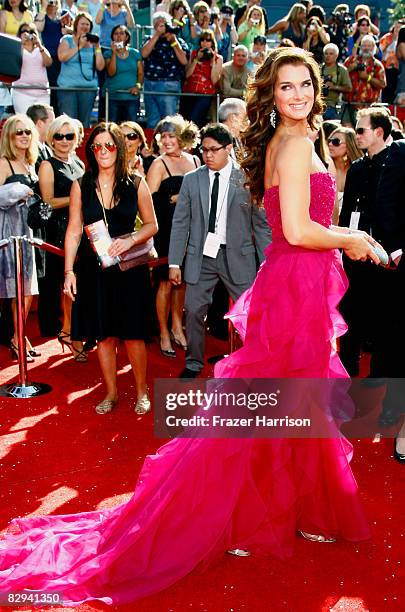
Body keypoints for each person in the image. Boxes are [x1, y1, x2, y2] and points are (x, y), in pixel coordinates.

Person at [0, 49, 376, 607]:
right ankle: (254, 518)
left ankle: (271, 511)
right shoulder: (296, 145)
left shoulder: (291, 140)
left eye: (305, 85)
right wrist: (353, 238)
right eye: (285, 86)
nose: (297, 94)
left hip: (292, 282)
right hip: (296, 281)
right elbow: (297, 229)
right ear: (270, 94)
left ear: (317, 90)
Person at [63, 123, 157, 414]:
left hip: (128, 269)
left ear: (119, 147)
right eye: (96, 147)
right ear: (90, 151)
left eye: (109, 146)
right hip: (95, 271)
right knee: (104, 336)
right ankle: (112, 393)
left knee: (133, 334)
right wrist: (69, 271)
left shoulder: (137, 183)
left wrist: (129, 239)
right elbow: (74, 231)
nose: (103, 151)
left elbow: (153, 225)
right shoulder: (81, 185)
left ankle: (142, 392)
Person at [168, 122, 271, 378]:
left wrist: (268, 263)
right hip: (201, 257)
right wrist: (174, 263)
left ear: (228, 148)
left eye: (214, 149)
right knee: (192, 311)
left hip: (239, 255)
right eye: (204, 150)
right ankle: (193, 363)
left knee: (249, 315)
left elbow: (261, 225)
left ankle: (254, 365)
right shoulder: (192, 180)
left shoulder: (247, 179)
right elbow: (180, 222)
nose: (208, 155)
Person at [339, 107, 392, 378]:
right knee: (349, 321)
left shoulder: (396, 164)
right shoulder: (357, 168)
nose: (356, 135)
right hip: (355, 257)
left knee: (384, 326)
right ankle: (347, 379)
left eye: (361, 130)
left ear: (379, 132)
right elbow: (348, 211)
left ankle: (378, 383)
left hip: (386, 259)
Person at [147, 115, 200, 358]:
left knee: (183, 282)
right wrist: (177, 199)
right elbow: (148, 201)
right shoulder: (159, 164)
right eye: (163, 136)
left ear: (183, 137)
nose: (167, 141)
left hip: (192, 230)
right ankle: (164, 332)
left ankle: (178, 326)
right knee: (166, 283)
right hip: (167, 232)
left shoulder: (196, 160)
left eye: (171, 136)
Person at [37, 114, 86, 361]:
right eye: (59, 136)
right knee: (66, 284)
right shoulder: (47, 164)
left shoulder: (78, 163)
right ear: (52, 139)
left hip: (79, 228)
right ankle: (67, 331)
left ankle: (71, 330)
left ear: (76, 138)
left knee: (77, 284)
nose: (64, 140)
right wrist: (79, 198)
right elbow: (47, 202)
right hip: (58, 231)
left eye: (69, 136)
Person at [0, 114, 39, 362]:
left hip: (29, 230)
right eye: (18, 132)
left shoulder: (31, 163)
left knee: (27, 288)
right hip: (8, 229)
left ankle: (18, 333)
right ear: (9, 137)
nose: (24, 136)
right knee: (15, 286)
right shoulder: (4, 162)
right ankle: (17, 336)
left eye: (27, 132)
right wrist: (18, 191)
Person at [141, 12, 189, 129]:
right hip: (151, 84)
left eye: (164, 24)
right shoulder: (150, 39)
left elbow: (184, 61)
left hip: (169, 84)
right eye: (158, 25)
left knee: (169, 123)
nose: (162, 27)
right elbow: (144, 53)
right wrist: (156, 35)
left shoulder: (178, 41)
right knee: (152, 122)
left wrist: (173, 40)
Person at [57, 12, 105, 127]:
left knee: (84, 123)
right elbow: (62, 57)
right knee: (69, 123)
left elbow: (100, 66)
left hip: (88, 89)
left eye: (87, 24)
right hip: (68, 88)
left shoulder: (93, 44)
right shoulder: (67, 40)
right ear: (76, 25)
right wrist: (79, 46)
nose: (85, 27)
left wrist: (97, 47)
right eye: (82, 24)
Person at [34, 1, 73, 116]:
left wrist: (68, 31)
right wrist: (44, 6)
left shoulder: (65, 13)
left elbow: (77, 31)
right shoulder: (42, 16)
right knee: (51, 89)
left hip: (64, 57)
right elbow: (37, 28)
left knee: (61, 89)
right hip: (49, 58)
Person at [182, 30, 222, 128]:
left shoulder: (218, 58)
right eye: (202, 40)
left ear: (212, 42)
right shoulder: (194, 53)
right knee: (185, 120)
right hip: (190, 91)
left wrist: (213, 62)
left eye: (208, 40)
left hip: (205, 94)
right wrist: (196, 59)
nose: (204, 43)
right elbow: (187, 75)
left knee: (194, 119)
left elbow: (214, 80)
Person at [343, 35, 386, 126]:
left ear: (374, 48)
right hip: (349, 104)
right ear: (360, 47)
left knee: (364, 130)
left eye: (369, 46)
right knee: (349, 133)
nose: (366, 48)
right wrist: (351, 68)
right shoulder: (351, 60)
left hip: (368, 106)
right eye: (364, 45)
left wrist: (368, 77)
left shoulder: (377, 65)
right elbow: (340, 76)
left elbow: (383, 84)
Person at [103, 24, 143, 123]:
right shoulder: (108, 54)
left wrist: (137, 86)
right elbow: (111, 73)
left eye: (121, 33)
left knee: (131, 126)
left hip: (131, 97)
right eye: (116, 34)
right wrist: (114, 53)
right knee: (113, 126)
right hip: (113, 96)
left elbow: (141, 73)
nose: (119, 36)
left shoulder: (135, 53)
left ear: (127, 36)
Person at [11, 23, 52, 114]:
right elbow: (13, 63)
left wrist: (39, 45)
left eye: (31, 32)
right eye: (24, 31)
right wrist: (21, 43)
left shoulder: (41, 49)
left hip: (42, 94)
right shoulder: (17, 48)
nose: (28, 34)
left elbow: (49, 63)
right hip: (22, 93)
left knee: (43, 121)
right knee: (25, 121)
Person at [327, 126, 362, 216]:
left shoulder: (358, 170)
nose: (330, 144)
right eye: (329, 141)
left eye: (336, 142)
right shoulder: (324, 167)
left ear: (349, 145)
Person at [320, 43, 352, 120]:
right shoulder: (318, 68)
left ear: (336, 55)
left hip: (333, 106)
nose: (328, 56)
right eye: (326, 53)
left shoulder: (341, 70)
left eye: (331, 54)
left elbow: (349, 88)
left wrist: (334, 87)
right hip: (319, 105)